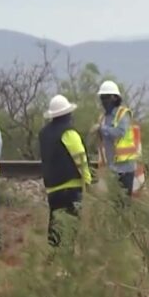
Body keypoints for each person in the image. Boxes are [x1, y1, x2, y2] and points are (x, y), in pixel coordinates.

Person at [39, 95, 92, 247]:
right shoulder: (69, 132)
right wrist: (87, 180)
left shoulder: (43, 134)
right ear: (67, 114)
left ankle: (53, 261)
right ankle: (66, 264)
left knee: (55, 226)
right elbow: (80, 158)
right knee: (70, 227)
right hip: (71, 187)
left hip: (52, 188)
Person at [93, 80, 138, 198]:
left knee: (124, 203)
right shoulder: (103, 117)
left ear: (114, 98)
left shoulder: (123, 114)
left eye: (106, 97)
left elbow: (120, 132)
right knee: (114, 203)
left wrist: (102, 129)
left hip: (125, 167)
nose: (104, 101)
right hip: (110, 168)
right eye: (102, 98)